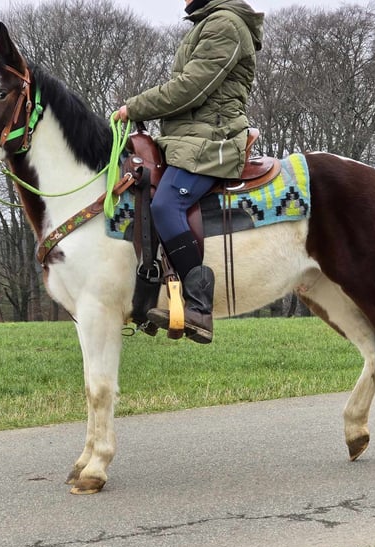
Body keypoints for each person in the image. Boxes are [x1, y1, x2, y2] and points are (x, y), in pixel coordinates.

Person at [115, 0, 264, 344]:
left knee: (166, 206)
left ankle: (199, 308)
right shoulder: (209, 23)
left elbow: (192, 87)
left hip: (213, 140)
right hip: (188, 139)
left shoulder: (224, 24)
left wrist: (134, 107)